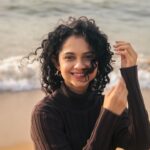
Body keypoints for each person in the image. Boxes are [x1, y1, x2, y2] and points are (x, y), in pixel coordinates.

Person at [30, 16, 150, 150]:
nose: (80, 65)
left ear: (98, 62)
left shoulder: (106, 105)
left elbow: (141, 145)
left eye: (89, 57)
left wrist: (130, 75)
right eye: (70, 57)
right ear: (57, 63)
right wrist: (108, 116)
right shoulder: (45, 113)